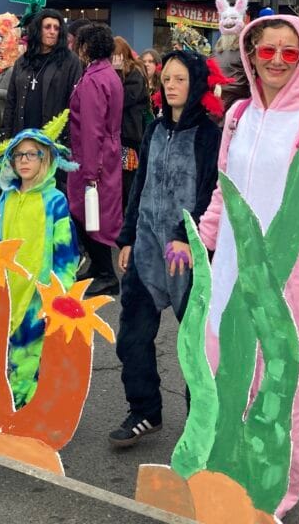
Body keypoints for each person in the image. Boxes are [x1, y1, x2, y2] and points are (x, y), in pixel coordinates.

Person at [197, 15, 299, 518]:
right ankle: (225, 471)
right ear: (250, 54)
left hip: (293, 273)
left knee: (282, 382)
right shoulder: (238, 113)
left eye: (290, 53)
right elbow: (225, 188)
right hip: (230, 270)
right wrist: (201, 242)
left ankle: (274, 491)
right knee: (224, 369)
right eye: (267, 51)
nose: (277, 62)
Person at [109, 48, 224, 448]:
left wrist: (185, 235)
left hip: (189, 252)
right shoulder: (155, 129)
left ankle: (200, 422)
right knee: (132, 337)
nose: (172, 86)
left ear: (196, 85)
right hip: (146, 249)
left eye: (180, 80)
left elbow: (212, 192)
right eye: (167, 79)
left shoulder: (210, 135)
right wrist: (126, 237)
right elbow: (139, 187)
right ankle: (144, 411)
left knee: (195, 344)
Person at [0, 112, 79, 407]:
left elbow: (66, 251)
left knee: (31, 350)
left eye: (32, 155)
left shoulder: (55, 201)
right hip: (10, 287)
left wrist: (60, 290)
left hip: (40, 291)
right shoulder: (6, 198)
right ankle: (11, 401)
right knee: (7, 347)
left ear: (46, 159)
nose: (24, 161)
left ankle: (25, 407)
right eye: (18, 155)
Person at [68, 23, 123, 297]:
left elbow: (91, 128)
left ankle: (105, 272)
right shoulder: (109, 74)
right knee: (96, 214)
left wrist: (89, 171)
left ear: (86, 47)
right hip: (108, 151)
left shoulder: (92, 80)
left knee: (88, 214)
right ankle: (98, 268)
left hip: (90, 156)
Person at [2, 10, 82, 139]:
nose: (52, 31)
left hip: (53, 138)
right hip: (22, 136)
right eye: (47, 27)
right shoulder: (23, 61)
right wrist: (6, 134)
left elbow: (75, 103)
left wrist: (67, 138)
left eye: (56, 28)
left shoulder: (70, 61)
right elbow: (11, 102)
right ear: (38, 30)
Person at [112, 36, 149, 209]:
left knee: (127, 180)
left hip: (129, 137)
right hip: (121, 135)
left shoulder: (135, 74)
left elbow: (122, 99)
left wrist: (117, 73)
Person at [213, 0, 251, 111]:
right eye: (224, 18)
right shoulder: (217, 48)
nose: (228, 21)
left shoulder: (246, 47)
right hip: (217, 102)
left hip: (237, 104)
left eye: (234, 18)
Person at [140, 48, 162, 116]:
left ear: (156, 64)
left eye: (150, 61)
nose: (146, 64)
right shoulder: (136, 85)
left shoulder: (162, 86)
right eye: (144, 61)